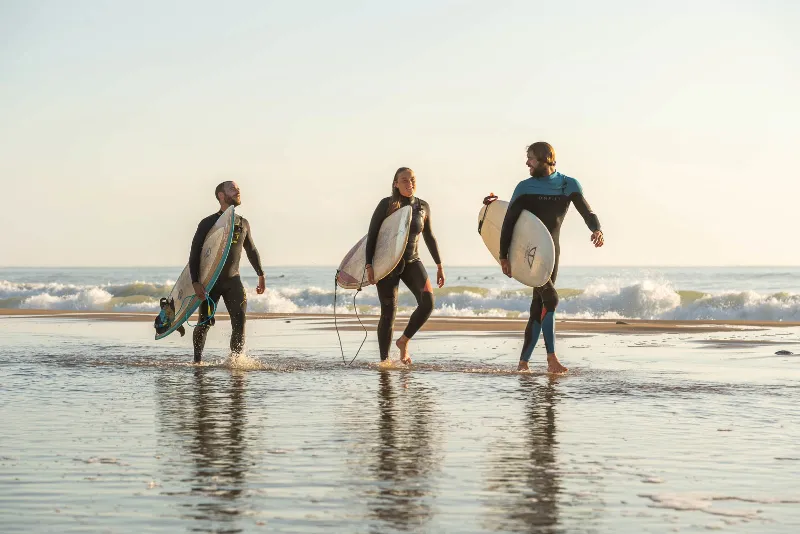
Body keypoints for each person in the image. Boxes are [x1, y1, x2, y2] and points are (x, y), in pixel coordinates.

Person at [499, 142, 604, 373]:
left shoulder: (568, 184)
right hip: (528, 254)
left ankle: (523, 364)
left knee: (539, 305)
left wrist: (596, 229)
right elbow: (508, 222)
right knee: (551, 299)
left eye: (531, 158)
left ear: (545, 159)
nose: (527, 163)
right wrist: (503, 256)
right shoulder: (523, 188)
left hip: (551, 253)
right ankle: (551, 359)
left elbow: (587, 211)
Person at [365, 167, 445, 364]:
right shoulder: (387, 205)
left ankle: (404, 341)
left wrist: (439, 265)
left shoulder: (423, 206)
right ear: (395, 184)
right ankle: (385, 361)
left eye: (412, 179)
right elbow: (372, 234)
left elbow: (429, 236)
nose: (410, 183)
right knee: (388, 312)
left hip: (412, 261)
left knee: (428, 303)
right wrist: (369, 264)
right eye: (404, 180)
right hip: (388, 263)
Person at [189, 181, 265, 363]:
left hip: (233, 280)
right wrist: (195, 282)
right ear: (221, 196)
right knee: (204, 322)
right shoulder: (208, 223)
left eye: (238, 188)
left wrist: (261, 274)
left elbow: (251, 250)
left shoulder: (242, 223)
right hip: (210, 283)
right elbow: (195, 253)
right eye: (232, 189)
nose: (237, 191)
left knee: (240, 322)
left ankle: (236, 361)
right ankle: (197, 362)